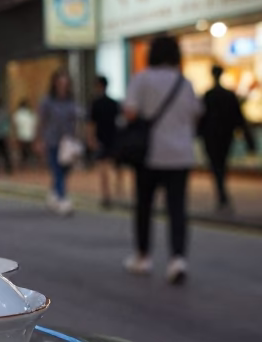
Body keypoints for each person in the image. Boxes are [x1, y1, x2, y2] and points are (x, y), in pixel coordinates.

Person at [124, 36, 202, 284]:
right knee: (177, 208)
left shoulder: (142, 79)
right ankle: (177, 259)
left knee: (145, 206)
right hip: (180, 155)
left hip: (149, 154)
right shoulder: (184, 82)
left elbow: (130, 110)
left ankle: (143, 256)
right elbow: (197, 113)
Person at [199, 65, 255, 212]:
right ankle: (222, 193)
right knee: (221, 164)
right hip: (225, 135)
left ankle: (222, 193)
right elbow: (239, 118)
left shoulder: (209, 95)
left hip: (212, 136)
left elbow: (201, 118)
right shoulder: (227, 95)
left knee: (217, 165)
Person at [36, 71, 81, 216]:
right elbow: (41, 121)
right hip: (52, 140)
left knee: (65, 170)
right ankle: (63, 199)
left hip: (68, 142)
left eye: (65, 84)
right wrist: (39, 139)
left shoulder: (71, 102)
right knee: (57, 170)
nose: (63, 86)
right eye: (60, 83)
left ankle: (54, 193)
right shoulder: (47, 101)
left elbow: (77, 119)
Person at [88, 76, 123, 208]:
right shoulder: (114, 103)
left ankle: (107, 195)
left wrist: (91, 139)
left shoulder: (95, 104)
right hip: (114, 137)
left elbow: (91, 123)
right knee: (116, 166)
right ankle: (117, 193)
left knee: (103, 168)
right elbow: (121, 121)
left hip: (101, 138)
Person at [13, 100, 37, 169]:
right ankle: (28, 164)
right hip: (30, 135)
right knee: (28, 151)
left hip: (22, 135)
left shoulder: (18, 114)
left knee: (23, 151)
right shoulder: (30, 114)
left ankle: (24, 165)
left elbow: (15, 125)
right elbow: (34, 124)